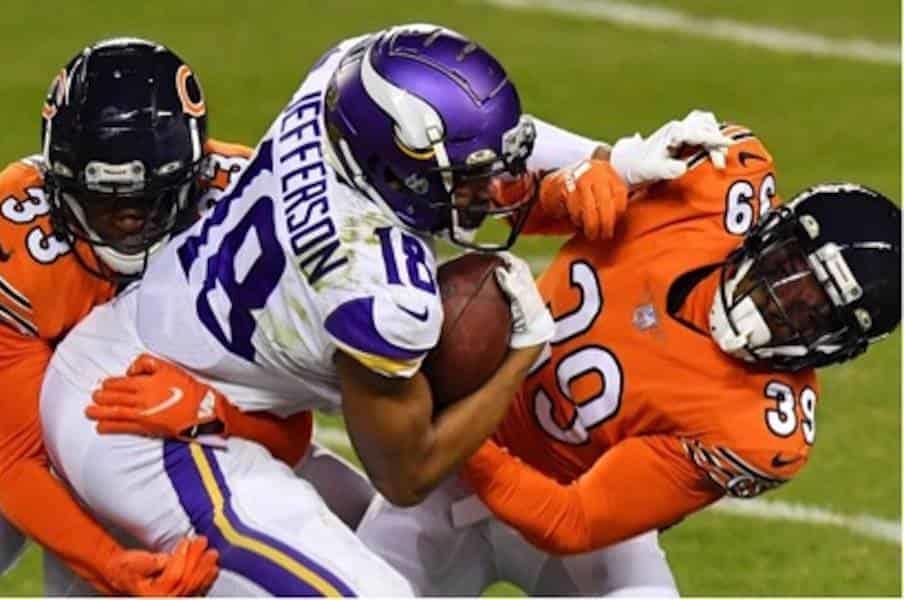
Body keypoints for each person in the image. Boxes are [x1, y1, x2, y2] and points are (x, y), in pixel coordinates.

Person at [36, 23, 734, 596]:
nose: (492, 191)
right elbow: (405, 475)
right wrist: (521, 351)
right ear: (400, 170)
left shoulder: (342, 87)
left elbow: (487, 139)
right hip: (142, 428)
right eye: (468, 179)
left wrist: (610, 160)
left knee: (363, 546)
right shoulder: (378, 287)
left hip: (169, 370)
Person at [355, 123, 901, 596]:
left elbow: (571, 520)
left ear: (838, 346)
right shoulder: (713, 187)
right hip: (444, 480)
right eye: (789, 266)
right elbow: (508, 198)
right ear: (770, 228)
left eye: (816, 308)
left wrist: (451, 419)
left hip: (559, 503)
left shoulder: (762, 428)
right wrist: (575, 183)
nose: (783, 298)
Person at [0, 36, 309, 596]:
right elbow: (15, 460)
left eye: (145, 202)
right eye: (102, 201)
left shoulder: (246, 212)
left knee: (342, 546)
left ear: (193, 177)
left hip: (149, 429)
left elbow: (291, 427)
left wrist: (213, 413)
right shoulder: (7, 238)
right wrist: (111, 565)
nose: (124, 221)